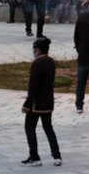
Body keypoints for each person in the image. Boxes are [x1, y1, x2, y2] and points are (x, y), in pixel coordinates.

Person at [22, 37, 62, 167]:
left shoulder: (37, 64)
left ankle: (35, 157)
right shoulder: (51, 62)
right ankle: (56, 156)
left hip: (36, 102)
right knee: (48, 127)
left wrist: (27, 103)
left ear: (37, 50)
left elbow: (33, 86)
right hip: (48, 100)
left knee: (29, 127)